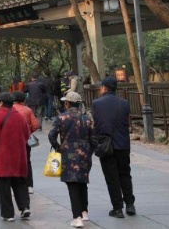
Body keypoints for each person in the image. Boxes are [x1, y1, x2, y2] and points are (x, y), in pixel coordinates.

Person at [49, 91, 95, 228]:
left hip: (68, 153)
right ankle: (84, 212)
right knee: (82, 181)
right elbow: (93, 138)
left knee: (72, 184)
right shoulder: (87, 118)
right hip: (85, 153)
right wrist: (89, 151)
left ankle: (77, 218)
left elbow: (51, 135)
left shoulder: (61, 117)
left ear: (67, 104)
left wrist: (58, 147)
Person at [91, 77, 136, 217]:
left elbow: (97, 123)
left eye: (101, 87)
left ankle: (117, 208)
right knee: (125, 175)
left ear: (104, 88)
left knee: (112, 178)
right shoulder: (124, 103)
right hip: (123, 144)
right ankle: (130, 204)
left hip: (106, 144)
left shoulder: (96, 103)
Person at [0, 92, 31, 222]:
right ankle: (24, 207)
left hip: (3, 157)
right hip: (19, 156)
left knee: (4, 186)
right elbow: (27, 134)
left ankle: (8, 213)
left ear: (0, 103)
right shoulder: (19, 116)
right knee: (20, 182)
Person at [13, 91, 40, 194]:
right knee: (27, 161)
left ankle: (15, 185)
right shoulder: (28, 110)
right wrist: (28, 131)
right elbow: (36, 125)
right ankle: (29, 185)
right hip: (25, 139)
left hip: (12, 141)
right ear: (23, 100)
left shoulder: (10, 109)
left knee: (14, 162)